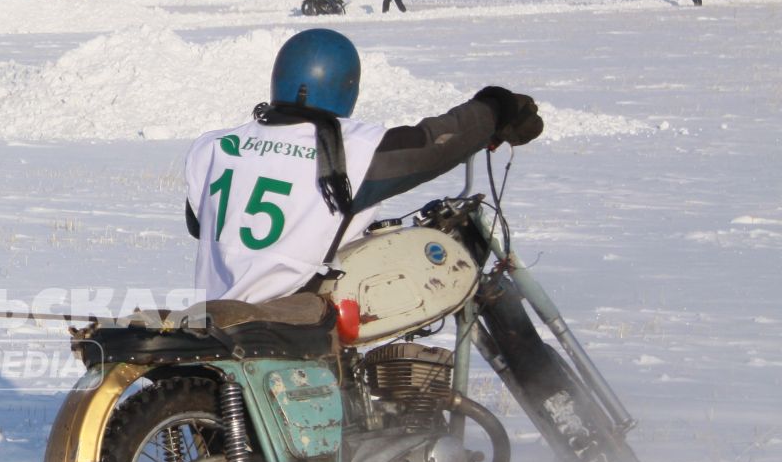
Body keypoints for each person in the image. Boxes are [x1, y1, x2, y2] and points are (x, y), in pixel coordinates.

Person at [183, 29, 544, 304]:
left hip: (213, 316)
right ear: (347, 87)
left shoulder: (214, 146)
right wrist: (496, 110)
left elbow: (199, 222)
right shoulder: (351, 149)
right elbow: (432, 144)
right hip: (287, 322)